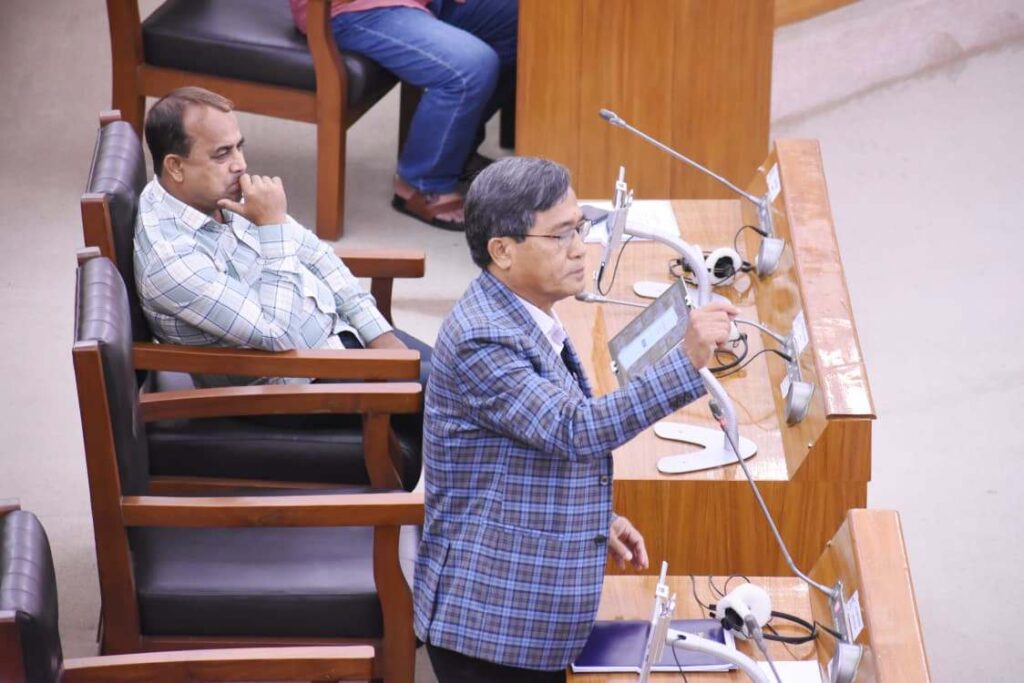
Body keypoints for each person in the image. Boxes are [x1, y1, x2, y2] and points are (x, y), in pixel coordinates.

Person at [413, 156, 738, 681]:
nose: (579, 246)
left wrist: (596, 520)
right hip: (492, 624)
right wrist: (686, 360)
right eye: (561, 234)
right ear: (502, 250)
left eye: (580, 227)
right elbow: (572, 428)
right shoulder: (483, 339)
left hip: (522, 597)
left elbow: (521, 450)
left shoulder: (523, 309)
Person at [133, 86, 431, 391]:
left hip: (344, 337)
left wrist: (380, 335)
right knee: (457, 396)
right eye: (222, 154)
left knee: (459, 373)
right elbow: (277, 335)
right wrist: (272, 226)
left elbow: (317, 256)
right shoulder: (172, 261)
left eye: (239, 147)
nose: (241, 164)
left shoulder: (208, 196)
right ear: (175, 166)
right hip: (296, 385)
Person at [289, 0, 518, 231]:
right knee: (470, 68)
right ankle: (422, 184)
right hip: (352, 9)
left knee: (528, 22)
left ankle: (456, 153)